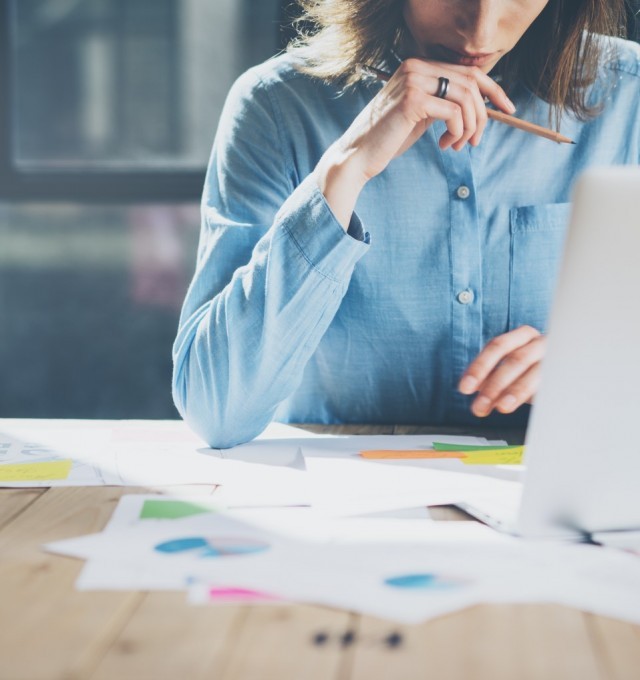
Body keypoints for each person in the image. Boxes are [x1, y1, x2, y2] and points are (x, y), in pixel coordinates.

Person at [173, 0, 639, 448]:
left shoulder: (631, 100)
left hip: (553, 504)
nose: (480, 30)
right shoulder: (275, 108)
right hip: (336, 508)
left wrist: (604, 362)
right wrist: (344, 170)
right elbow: (215, 410)